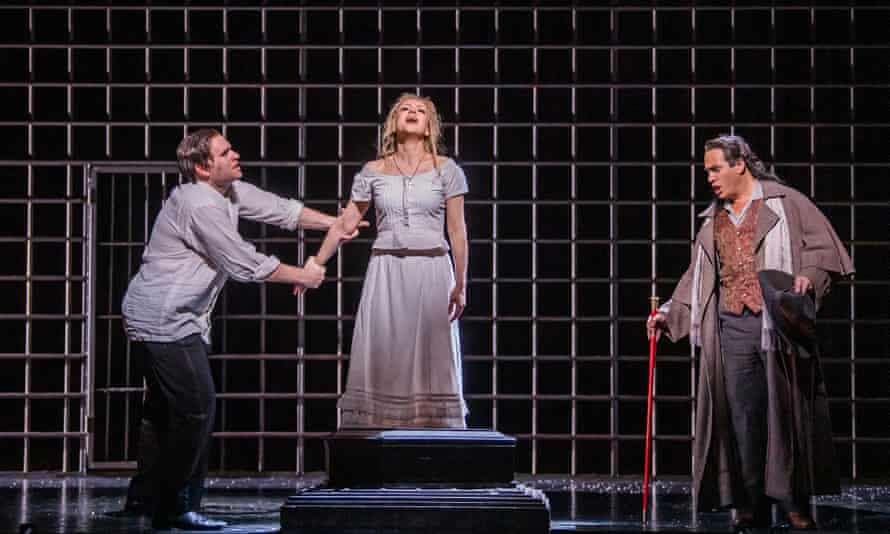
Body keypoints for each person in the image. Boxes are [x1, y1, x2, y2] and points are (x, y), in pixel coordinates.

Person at [121, 128, 360, 530]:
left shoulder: (227, 192)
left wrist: (336, 225)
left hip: (173, 316)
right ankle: (176, 507)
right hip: (164, 319)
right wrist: (303, 275)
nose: (235, 155)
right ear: (202, 167)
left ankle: (144, 499)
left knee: (162, 411)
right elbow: (241, 261)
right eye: (225, 152)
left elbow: (281, 211)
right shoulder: (199, 204)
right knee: (197, 409)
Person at [647, 135, 854, 530]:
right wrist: (669, 313)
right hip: (732, 328)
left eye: (715, 168)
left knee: (785, 414)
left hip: (778, 325)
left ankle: (793, 503)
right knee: (742, 419)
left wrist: (808, 277)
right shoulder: (713, 221)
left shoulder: (785, 203)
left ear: (739, 164)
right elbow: (697, 279)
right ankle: (749, 503)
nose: (709, 177)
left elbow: (823, 251)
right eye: (707, 171)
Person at [310, 93, 469, 428]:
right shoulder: (373, 171)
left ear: (429, 127)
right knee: (386, 349)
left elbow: (457, 231)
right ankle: (378, 436)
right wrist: (317, 262)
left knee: (432, 356)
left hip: (432, 270)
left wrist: (461, 283)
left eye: (420, 110)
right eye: (405, 109)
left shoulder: (446, 170)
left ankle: (433, 438)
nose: (412, 112)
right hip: (387, 272)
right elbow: (346, 223)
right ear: (394, 123)